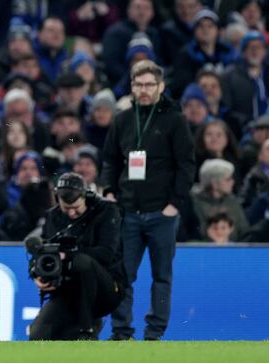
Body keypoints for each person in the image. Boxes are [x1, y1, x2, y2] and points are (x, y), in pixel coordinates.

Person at [100, 60, 195, 341]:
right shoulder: (123, 119)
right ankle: (121, 331)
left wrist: (174, 204)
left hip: (161, 213)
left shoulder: (174, 119)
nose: (143, 90)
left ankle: (155, 332)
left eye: (149, 85)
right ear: (131, 86)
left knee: (161, 277)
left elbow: (186, 165)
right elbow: (110, 159)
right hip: (128, 210)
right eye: (138, 84)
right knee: (123, 276)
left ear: (161, 87)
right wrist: (109, 189)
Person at [27, 173, 126, 340]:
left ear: (86, 197)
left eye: (76, 208)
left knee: (82, 262)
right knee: (38, 336)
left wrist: (68, 255)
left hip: (105, 289)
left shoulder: (107, 211)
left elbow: (106, 254)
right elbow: (42, 252)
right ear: (57, 200)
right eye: (67, 208)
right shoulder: (53, 216)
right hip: (68, 291)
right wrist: (36, 274)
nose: (72, 213)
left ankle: (86, 330)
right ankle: (79, 328)